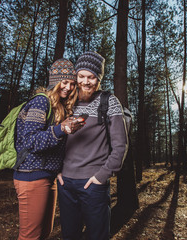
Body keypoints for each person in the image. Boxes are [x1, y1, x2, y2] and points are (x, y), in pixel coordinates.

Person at [57, 51, 128, 240]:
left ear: (99, 79)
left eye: (91, 77)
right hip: (65, 184)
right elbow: (57, 139)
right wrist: (58, 170)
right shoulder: (67, 102)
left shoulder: (109, 102)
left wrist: (101, 176)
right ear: (76, 76)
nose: (86, 82)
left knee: (98, 236)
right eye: (81, 76)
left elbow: (120, 146)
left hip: (93, 184)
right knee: (69, 236)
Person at [14, 58, 84, 240]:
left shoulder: (59, 106)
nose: (68, 88)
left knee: (44, 233)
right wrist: (60, 129)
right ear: (54, 81)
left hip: (48, 176)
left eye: (71, 84)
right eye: (64, 82)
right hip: (31, 175)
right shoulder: (41, 102)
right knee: (30, 236)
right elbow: (30, 141)